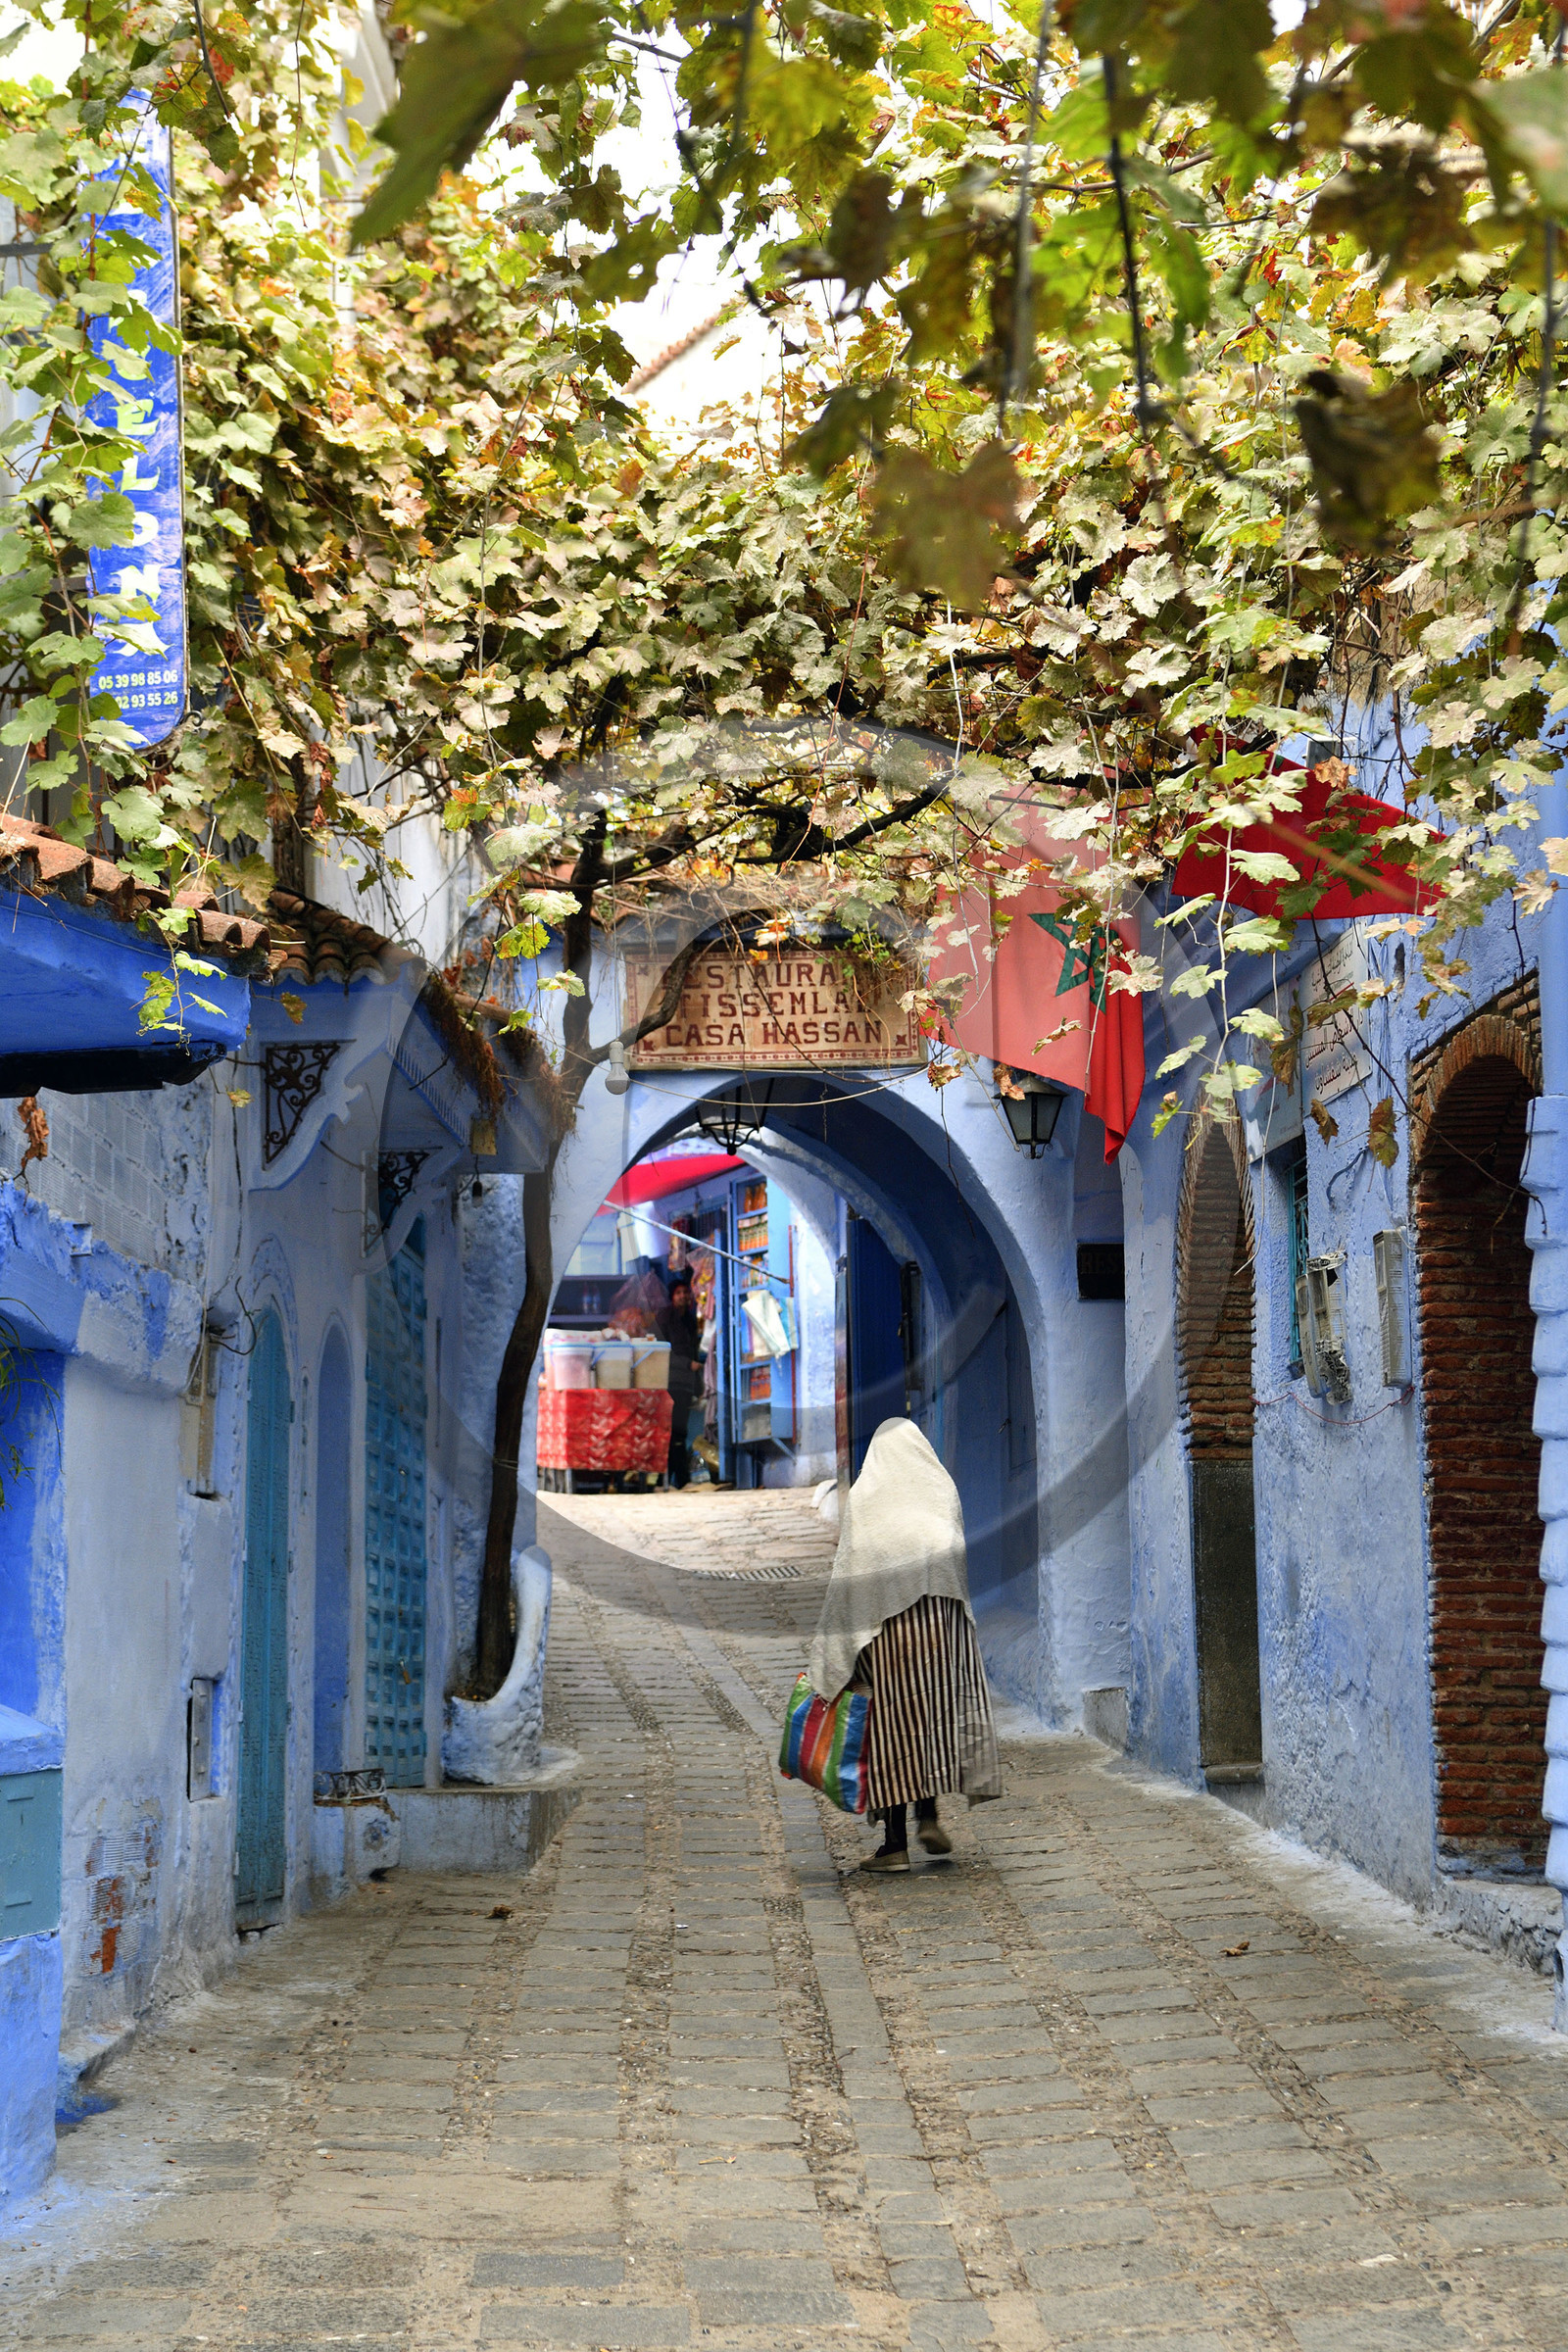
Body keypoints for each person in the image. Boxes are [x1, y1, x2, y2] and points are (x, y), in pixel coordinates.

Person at [808, 1417, 1002, 1871]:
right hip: (941, 1624)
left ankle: (894, 1845)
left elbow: (850, 1576)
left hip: (885, 1630)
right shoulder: (939, 1490)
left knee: (889, 1727)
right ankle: (929, 1816)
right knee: (929, 1719)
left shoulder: (867, 1500)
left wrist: (834, 1655)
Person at [655, 1277, 703, 1489]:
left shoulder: (690, 1320)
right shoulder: (665, 1317)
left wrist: (698, 1385)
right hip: (669, 1381)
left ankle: (671, 1480)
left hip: (684, 1384)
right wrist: (687, 1364)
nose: (683, 1296)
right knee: (674, 1432)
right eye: (678, 1293)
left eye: (685, 1292)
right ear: (672, 1297)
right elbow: (661, 1350)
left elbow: (692, 1348)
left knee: (678, 1433)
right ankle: (678, 1479)